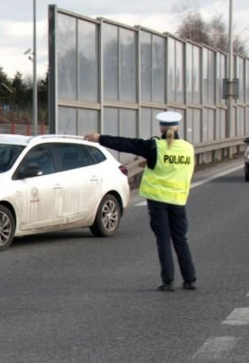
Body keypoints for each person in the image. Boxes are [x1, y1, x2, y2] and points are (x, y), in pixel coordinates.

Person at [84, 111, 197, 292]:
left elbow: (126, 144)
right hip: (178, 199)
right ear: (177, 127)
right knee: (180, 239)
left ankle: (168, 281)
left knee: (163, 240)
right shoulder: (188, 148)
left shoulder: (154, 147)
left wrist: (100, 138)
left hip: (158, 200)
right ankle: (190, 279)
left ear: (161, 127)